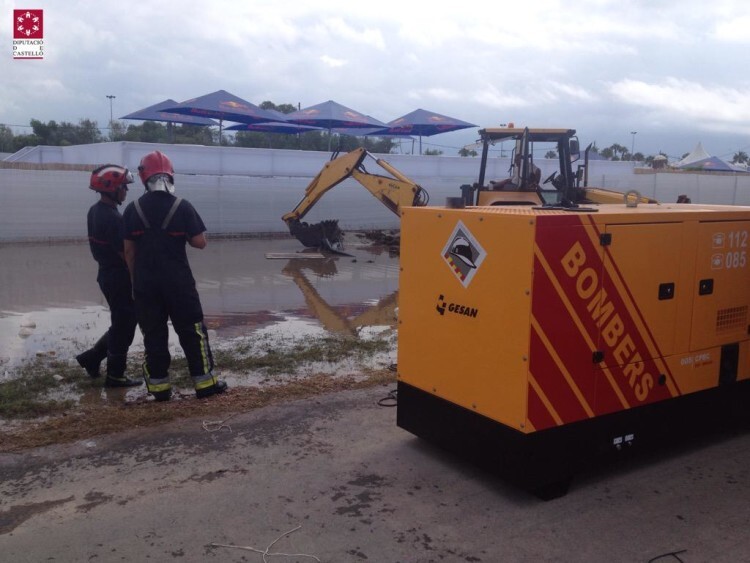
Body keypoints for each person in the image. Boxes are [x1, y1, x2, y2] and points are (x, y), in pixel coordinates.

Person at [122, 150, 227, 402]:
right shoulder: (182, 206)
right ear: (170, 176)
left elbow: (128, 251)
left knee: (153, 335)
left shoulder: (132, 209)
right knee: (192, 332)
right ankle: (205, 384)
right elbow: (200, 243)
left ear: (143, 177)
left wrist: (135, 282)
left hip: (146, 284)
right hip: (179, 283)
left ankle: (159, 389)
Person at [76, 165, 141, 387]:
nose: (126, 191)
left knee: (121, 322)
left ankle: (92, 358)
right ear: (112, 189)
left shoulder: (95, 211)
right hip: (119, 277)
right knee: (124, 327)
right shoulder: (113, 219)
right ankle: (115, 375)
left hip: (106, 274)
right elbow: (126, 254)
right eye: (124, 187)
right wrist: (137, 280)